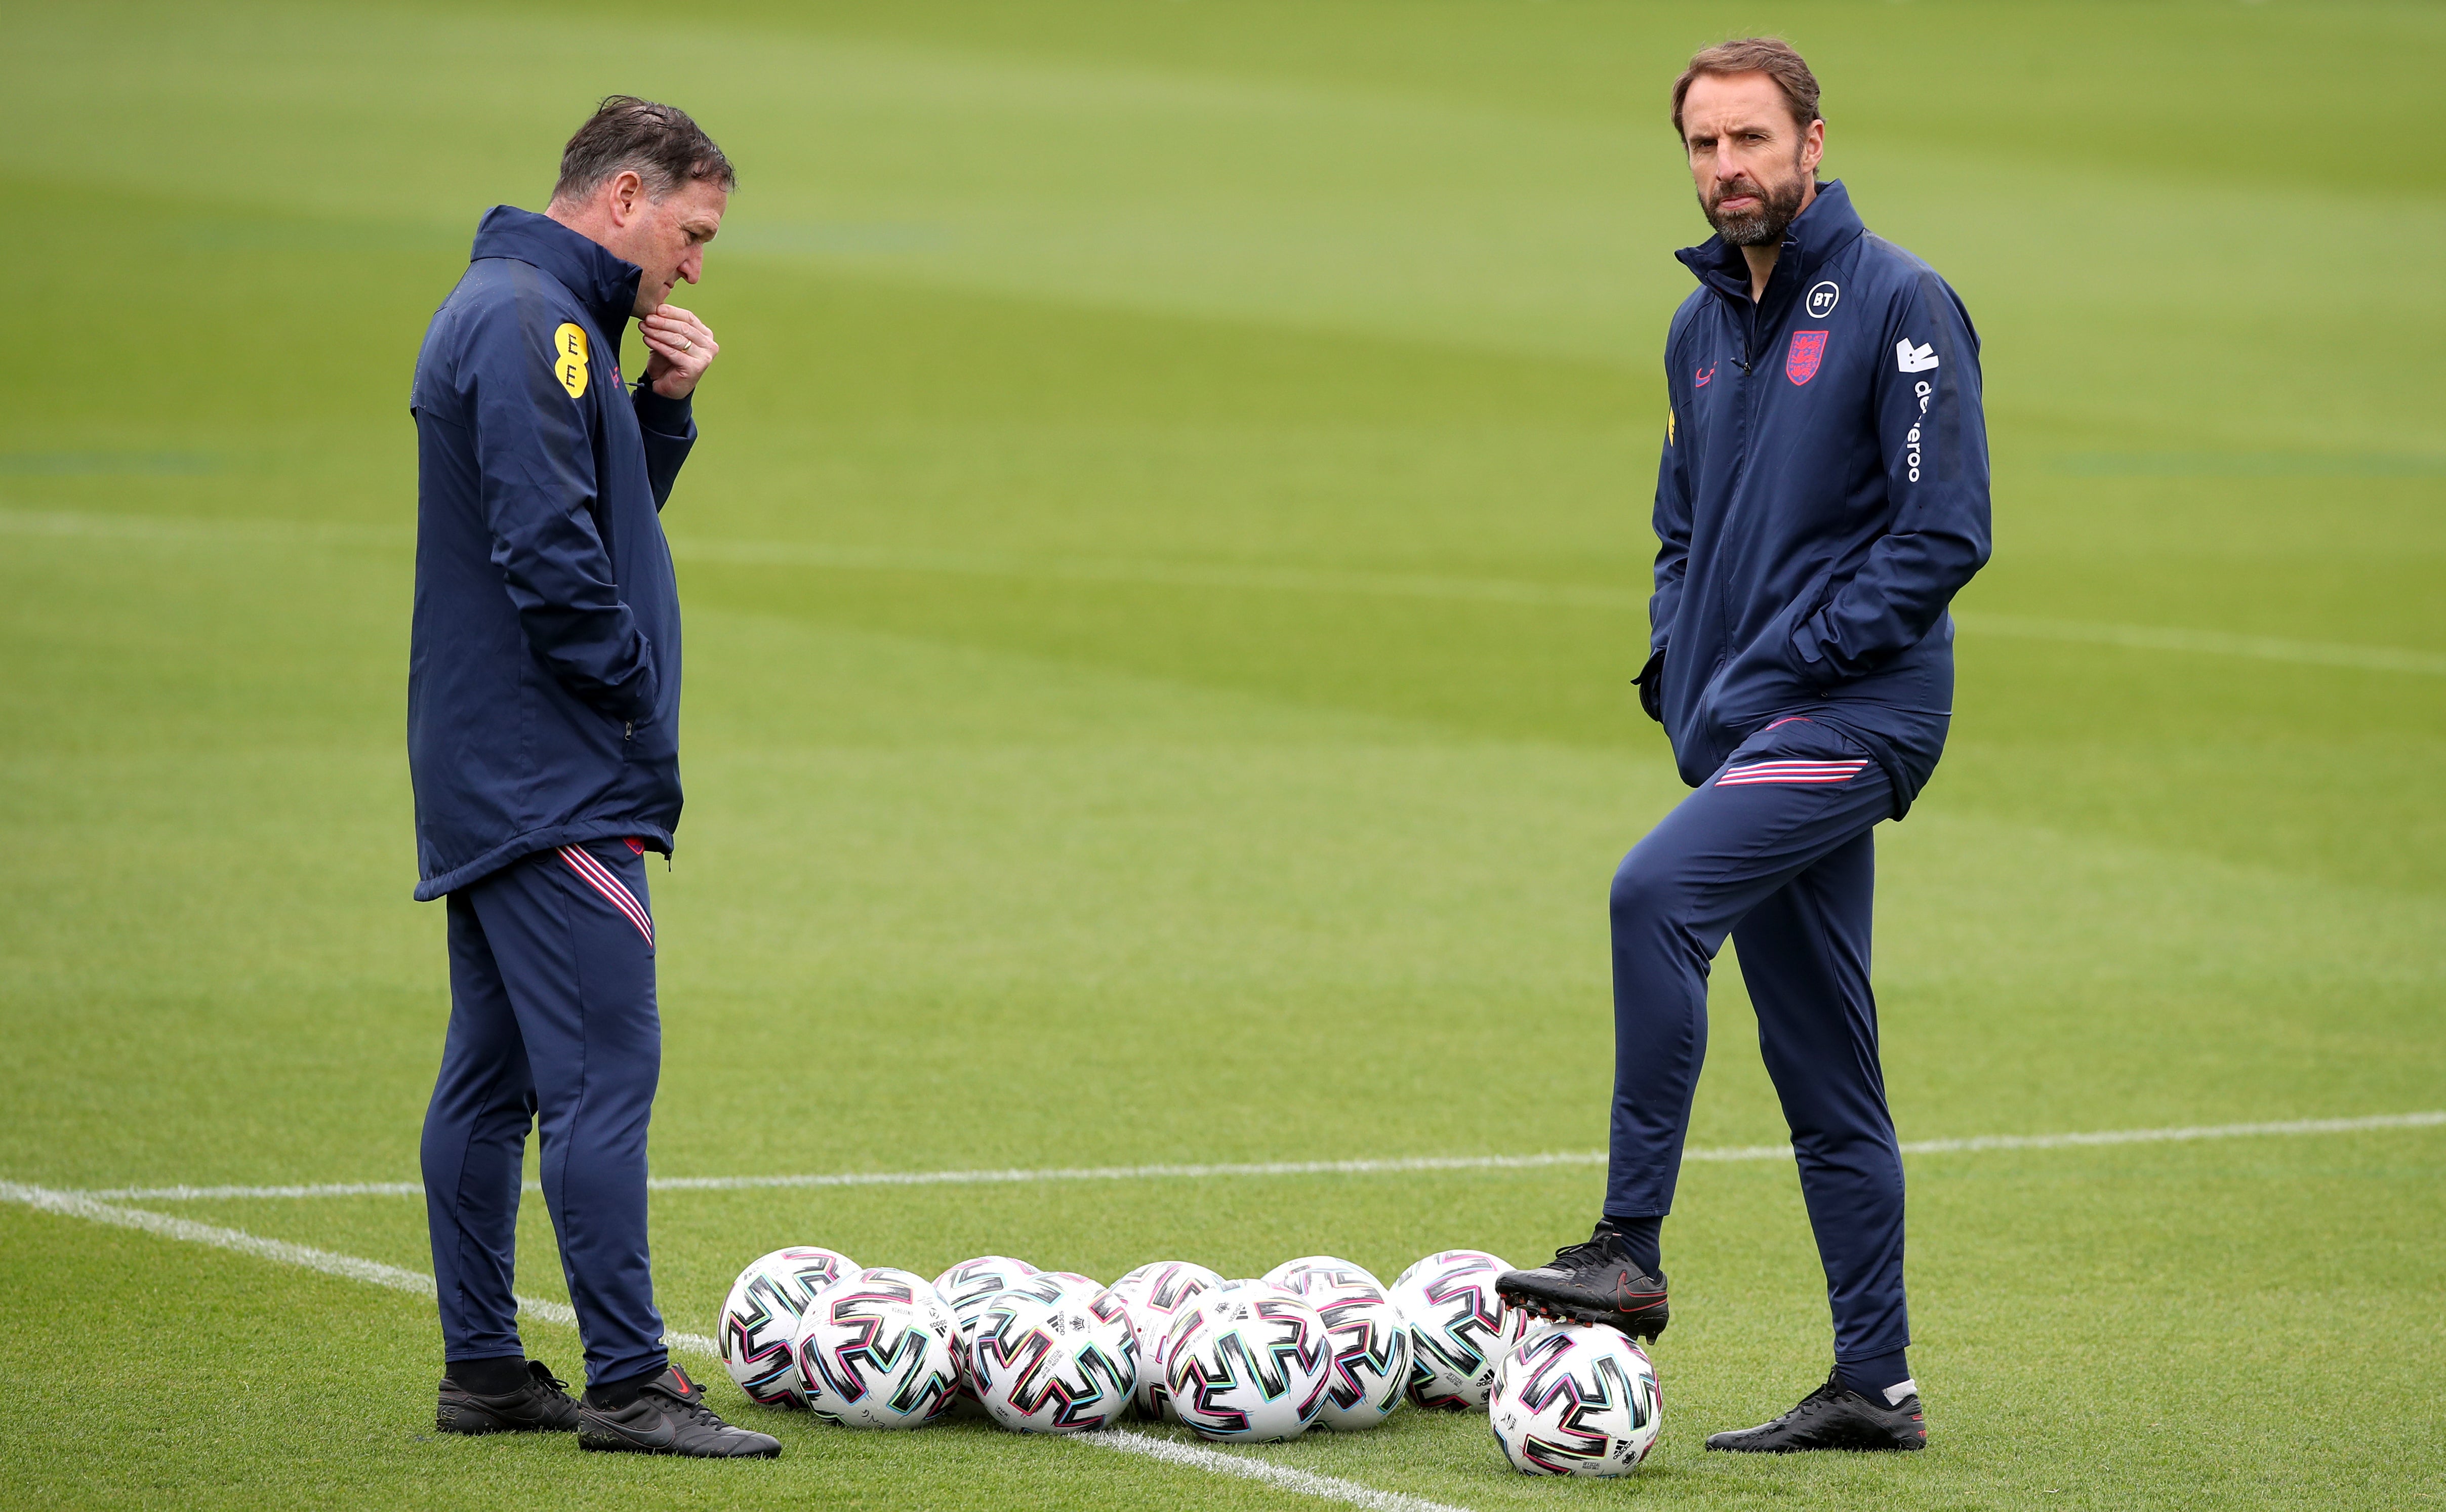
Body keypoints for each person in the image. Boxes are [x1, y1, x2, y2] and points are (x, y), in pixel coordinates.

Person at [1495, 39, 1989, 1453]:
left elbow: (1945, 531)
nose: (1728, 172)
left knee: (1655, 896)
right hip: (1747, 723)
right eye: (1704, 148)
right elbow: (1680, 527)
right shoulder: (1696, 331)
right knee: (1823, 1058)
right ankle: (1874, 1382)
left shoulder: (1900, 300)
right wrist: (1680, 666)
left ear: (1814, 143)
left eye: (1751, 142)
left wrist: (1793, 659)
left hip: (1857, 716)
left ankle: (1626, 1246)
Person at [406, 96, 778, 1458]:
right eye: (691, 233)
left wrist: (661, 412)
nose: (691, 266)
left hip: (498, 767)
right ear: (624, 196)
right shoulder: (534, 324)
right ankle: (629, 1379)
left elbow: (588, 510)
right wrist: (627, 696)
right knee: (606, 1070)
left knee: (492, 1075)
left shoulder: (530, 317)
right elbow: (552, 553)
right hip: (551, 777)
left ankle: (488, 1368)